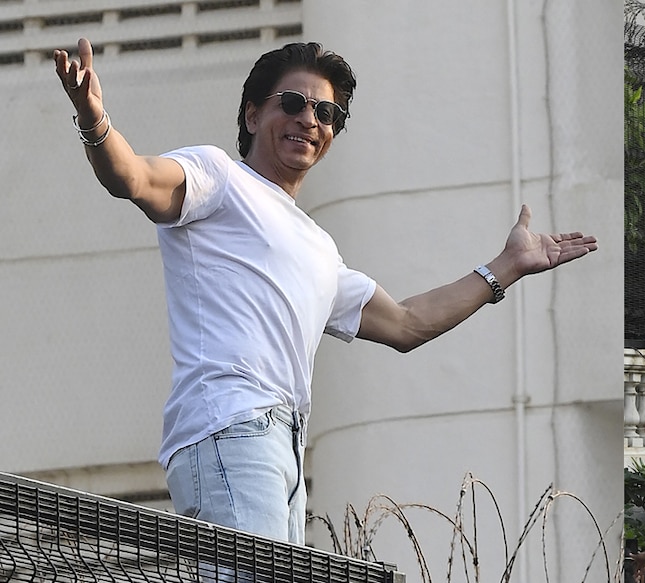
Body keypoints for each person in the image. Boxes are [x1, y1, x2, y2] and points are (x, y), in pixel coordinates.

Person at [53, 38, 597, 544]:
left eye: (326, 112)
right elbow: (133, 177)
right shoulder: (219, 177)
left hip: (284, 447)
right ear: (252, 115)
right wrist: (94, 119)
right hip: (232, 427)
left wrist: (506, 266)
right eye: (293, 103)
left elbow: (408, 323)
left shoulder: (318, 247)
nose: (309, 120)